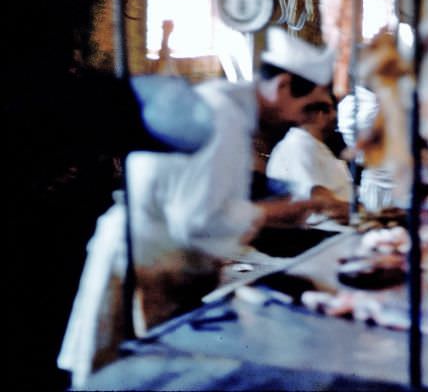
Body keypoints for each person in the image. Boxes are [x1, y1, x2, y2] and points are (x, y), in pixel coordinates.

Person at [58, 27, 336, 387]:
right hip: (145, 265)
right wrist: (272, 212)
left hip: (160, 260)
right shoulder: (223, 119)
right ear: (282, 86)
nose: (301, 119)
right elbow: (195, 220)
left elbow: (214, 197)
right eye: (305, 106)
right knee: (128, 378)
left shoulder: (227, 106)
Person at [266, 88, 352, 224]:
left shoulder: (314, 144)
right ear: (319, 115)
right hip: (322, 233)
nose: (335, 116)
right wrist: (359, 211)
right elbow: (320, 200)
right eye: (331, 110)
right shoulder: (298, 145)